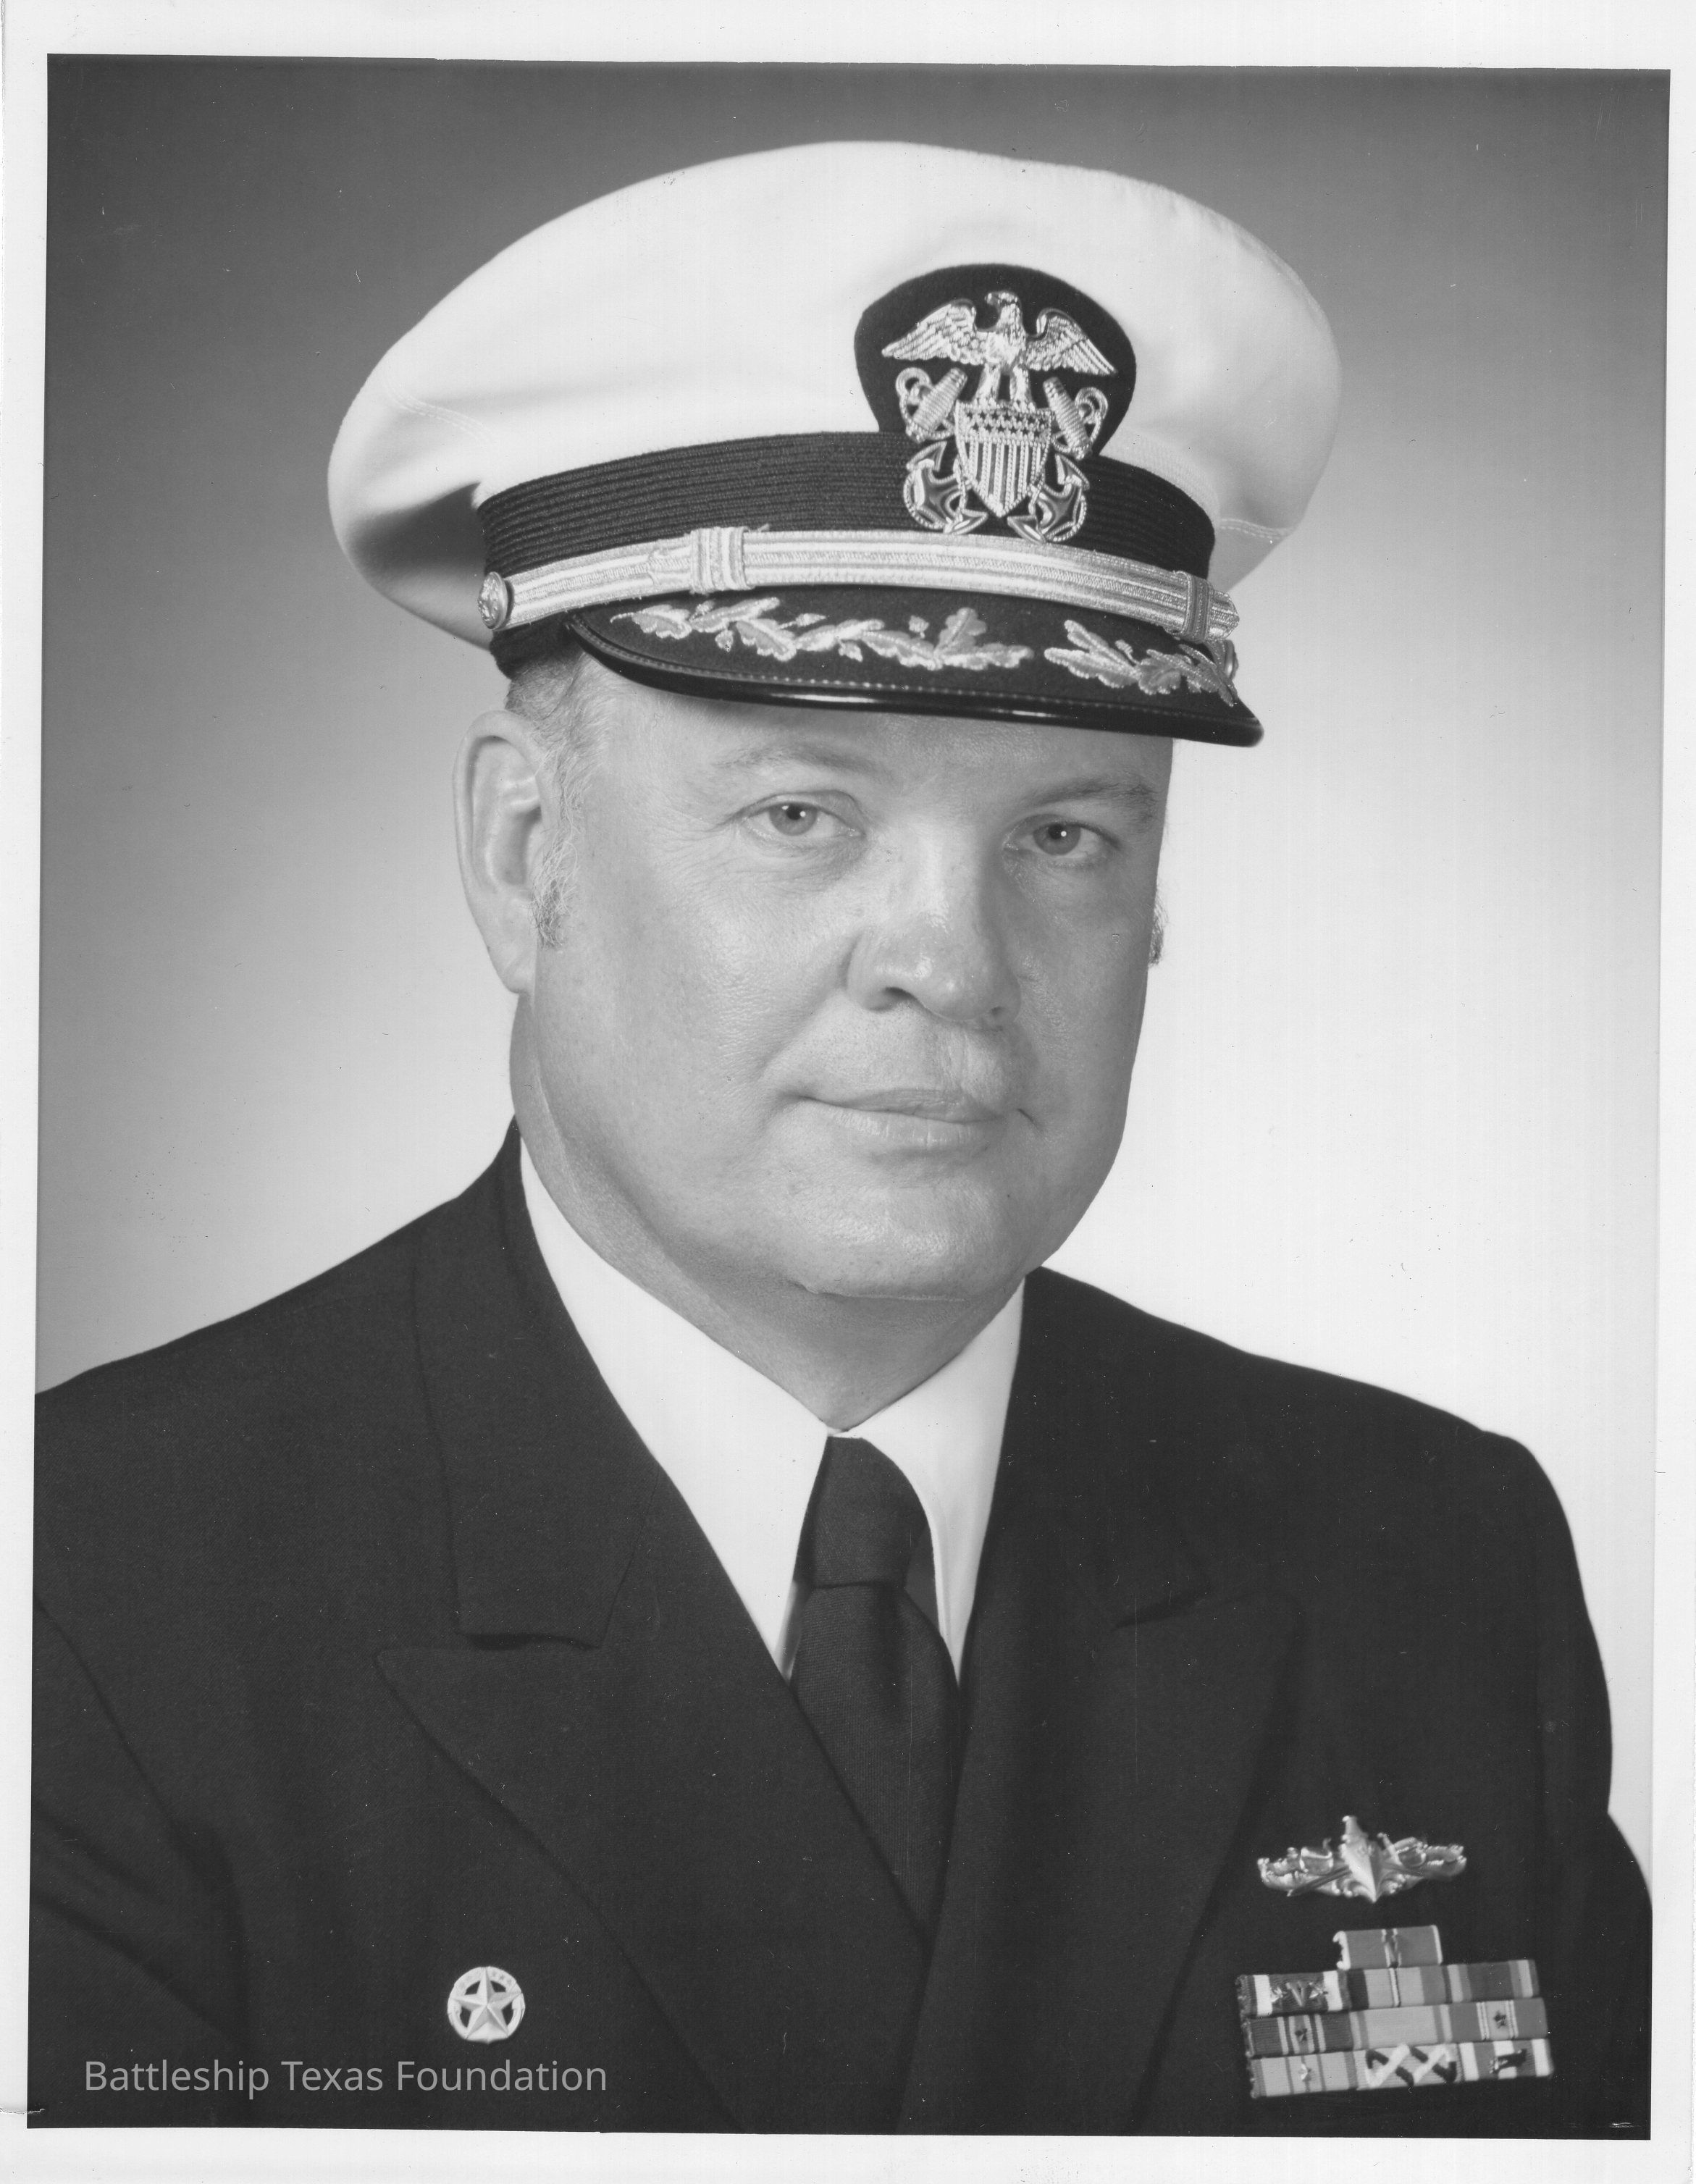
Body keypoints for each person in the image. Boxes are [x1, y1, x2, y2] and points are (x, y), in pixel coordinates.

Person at [29, 140, 1649, 2135]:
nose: (950, 963)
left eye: (1066, 834)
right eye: (802, 813)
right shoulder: (93, 1596)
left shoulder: (1433, 1562)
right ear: (525, 857)